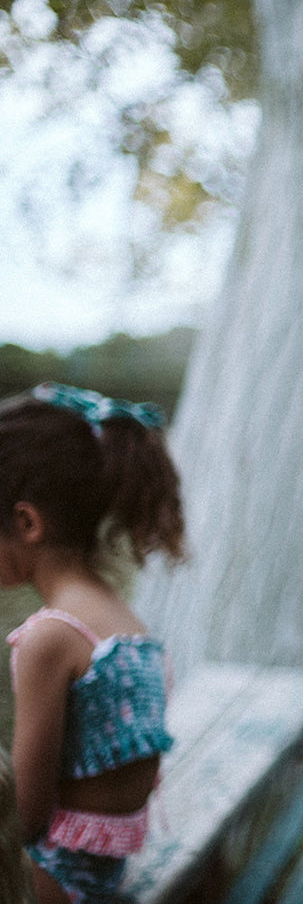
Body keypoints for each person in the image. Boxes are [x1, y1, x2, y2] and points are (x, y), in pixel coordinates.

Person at [1, 383, 184, 903]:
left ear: (26, 522)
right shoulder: (123, 620)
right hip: (104, 877)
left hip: (54, 884)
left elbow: (26, 820)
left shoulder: (48, 638)